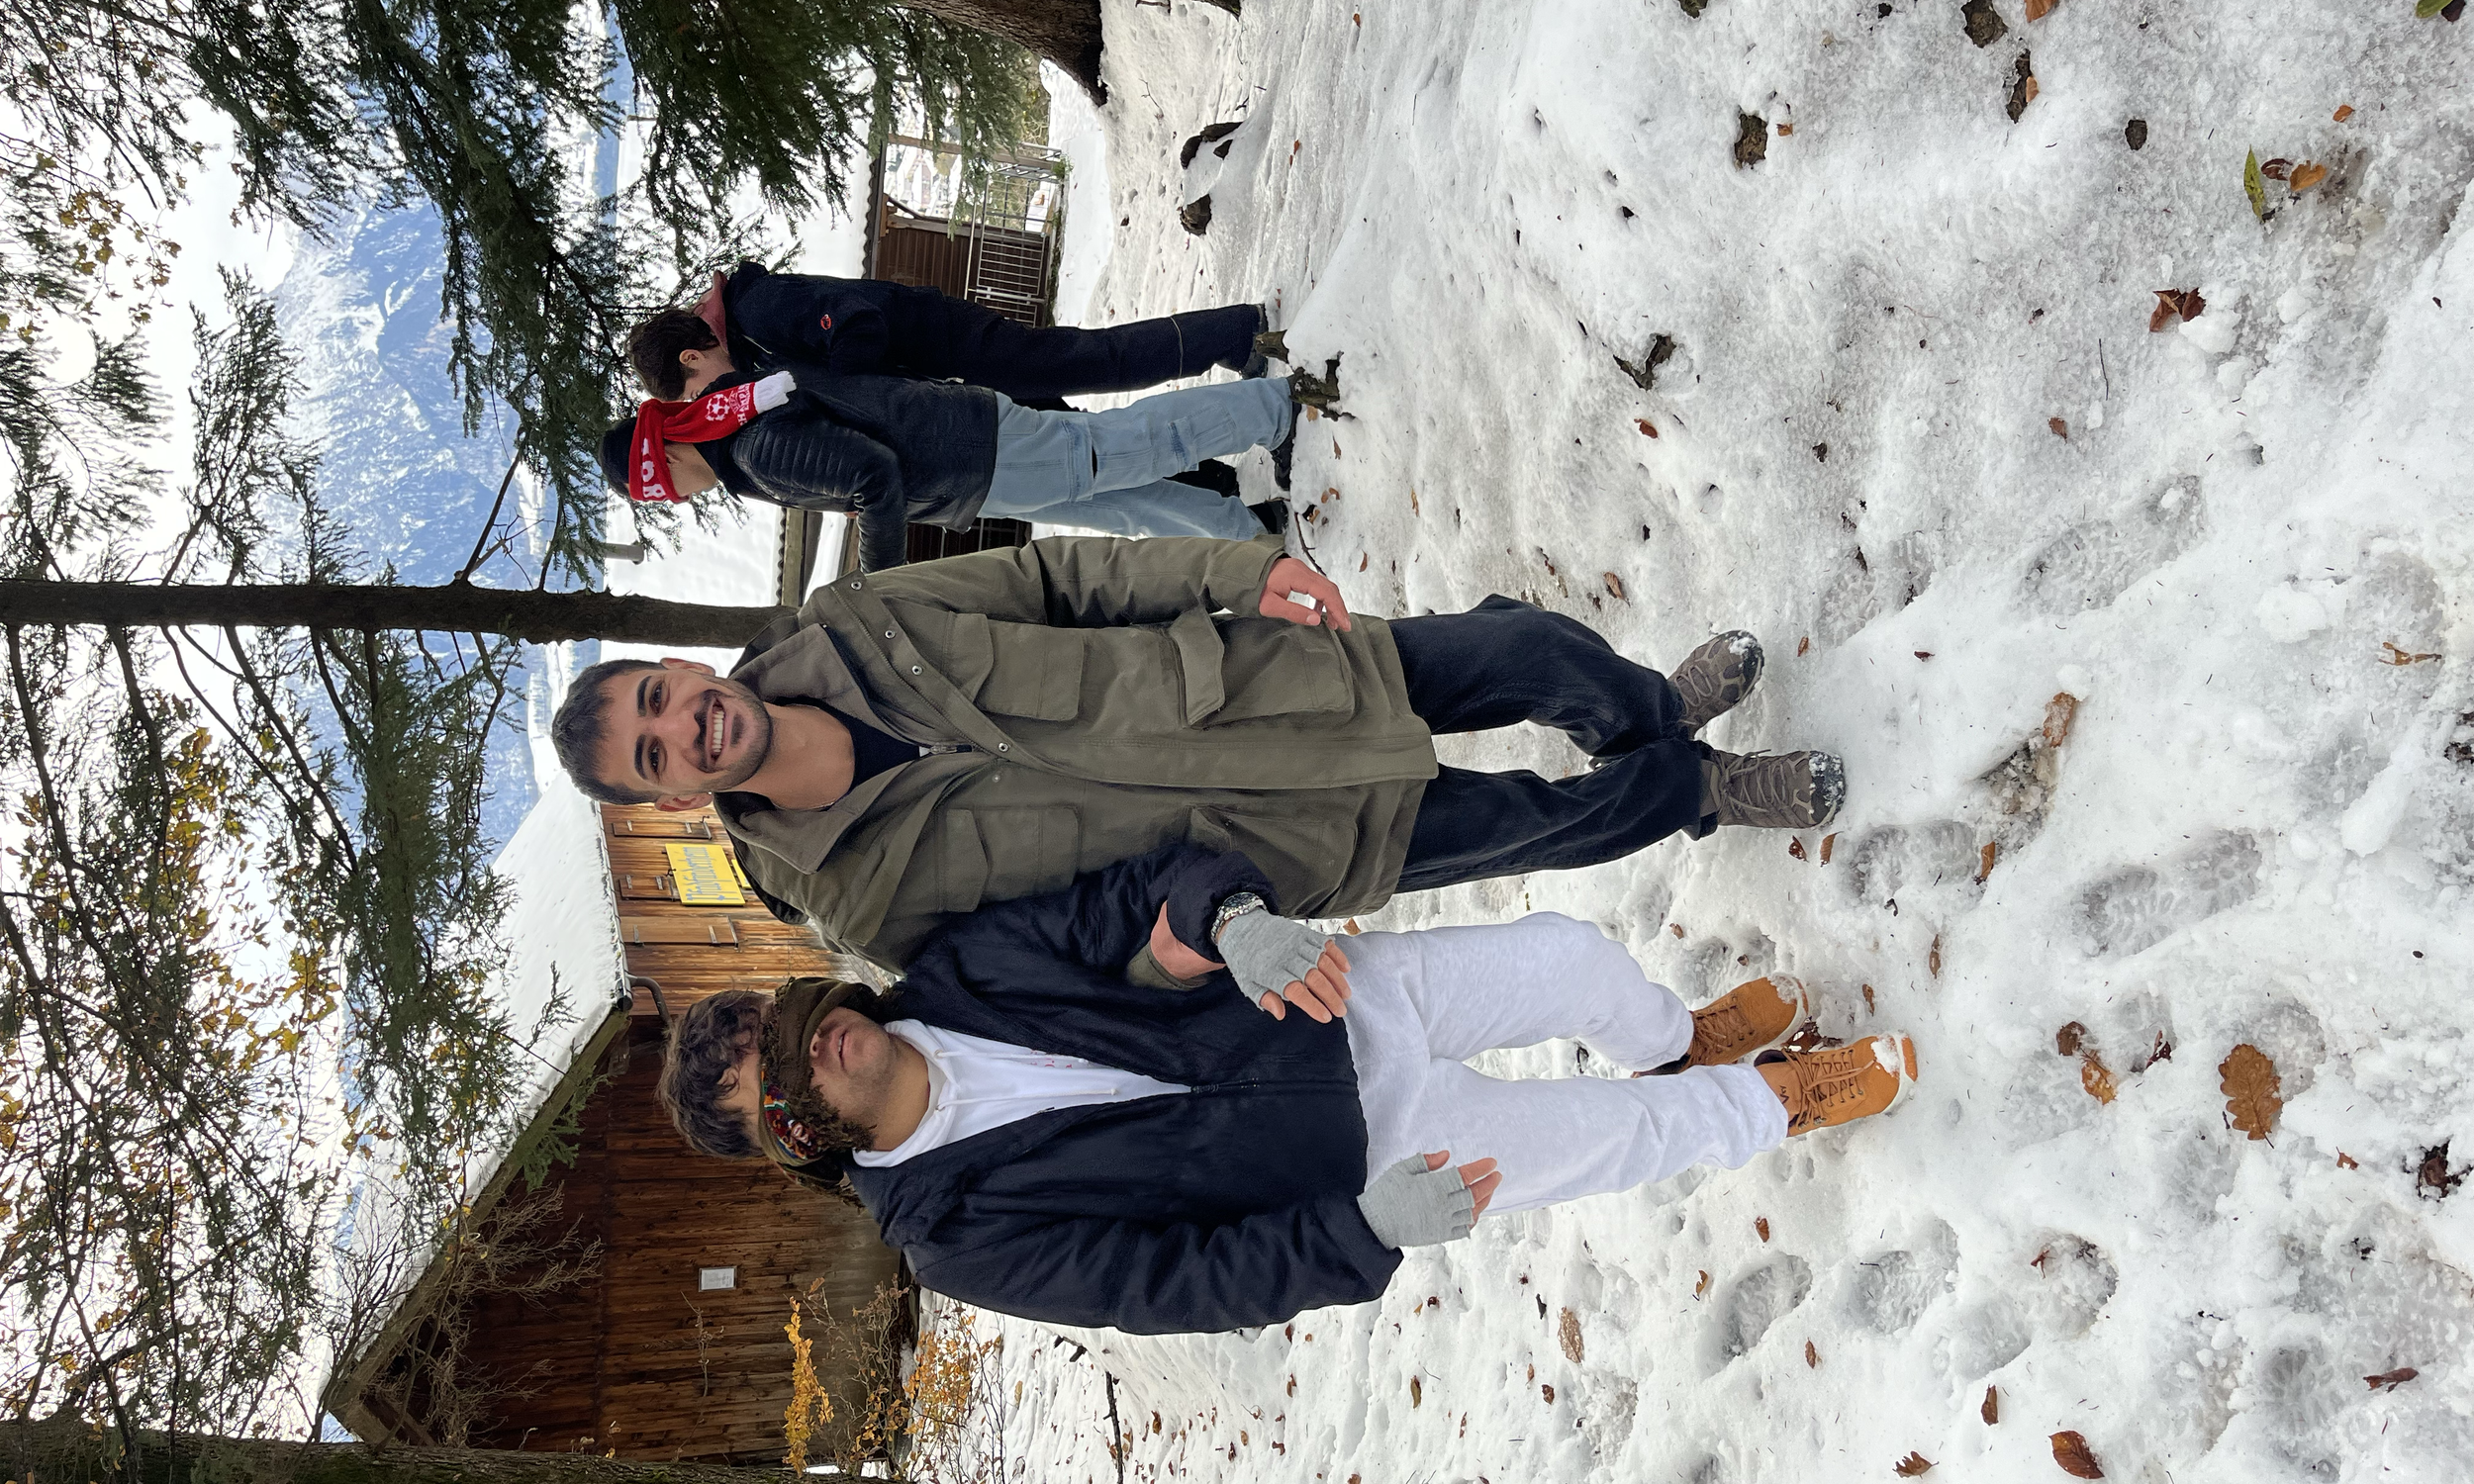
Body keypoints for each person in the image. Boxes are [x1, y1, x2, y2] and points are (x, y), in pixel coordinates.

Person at [653, 843, 1918, 1335]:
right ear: (794, 1143)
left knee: (1573, 958)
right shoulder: (955, 1235)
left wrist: (1230, 917)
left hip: (1329, 997)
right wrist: (1358, 1236)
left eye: (784, 1019)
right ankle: (1773, 1102)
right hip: (1366, 1162)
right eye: (778, 1081)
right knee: (1614, 1141)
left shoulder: (958, 972)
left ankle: (1672, 1037)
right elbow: (1172, 1285)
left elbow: (1124, 901)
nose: (810, 1044)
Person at [547, 534, 1844, 966]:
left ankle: (1654, 718)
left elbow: (1064, 575)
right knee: (1533, 823)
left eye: (660, 695)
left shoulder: (864, 619)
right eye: (656, 752)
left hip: (1268, 686)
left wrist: (1238, 567)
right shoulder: (864, 907)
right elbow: (1074, 954)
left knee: (1526, 656)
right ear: (667, 794)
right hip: (1273, 847)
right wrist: (1188, 942)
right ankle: (1700, 788)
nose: (685, 725)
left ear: (680, 670)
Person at [597, 362, 1331, 569]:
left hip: (973, 455)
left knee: (1135, 445)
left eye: (663, 491)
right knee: (1125, 504)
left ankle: (1273, 408)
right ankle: (1245, 534)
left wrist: (874, 578)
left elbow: (873, 477)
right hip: (970, 460)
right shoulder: (736, 413)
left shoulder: (753, 448)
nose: (678, 500)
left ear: (666, 459)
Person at [628, 262, 1281, 407]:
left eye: (694, 390)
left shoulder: (759, 309)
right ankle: (1223, 487)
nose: (708, 399)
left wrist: (850, 389)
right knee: (1083, 436)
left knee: (1091, 361)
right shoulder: (749, 342)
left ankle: (1235, 333)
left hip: (949, 342)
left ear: (693, 353)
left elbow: (859, 322)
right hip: (945, 373)